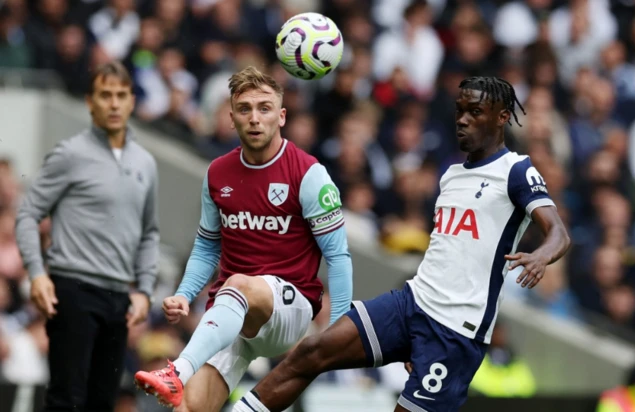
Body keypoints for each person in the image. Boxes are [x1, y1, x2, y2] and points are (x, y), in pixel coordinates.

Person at [231, 76, 572, 412]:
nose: (463, 119)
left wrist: (541, 256)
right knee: (311, 352)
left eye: (476, 112)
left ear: (501, 117)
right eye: (460, 110)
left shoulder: (516, 170)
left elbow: (558, 232)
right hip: (412, 304)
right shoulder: (451, 175)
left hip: (454, 335)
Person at [133, 66, 353, 411]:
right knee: (189, 408)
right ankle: (182, 383)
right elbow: (207, 245)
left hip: (289, 309)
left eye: (264, 108)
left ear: (281, 117)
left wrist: (338, 332)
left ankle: (177, 370)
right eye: (245, 109)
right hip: (234, 316)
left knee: (239, 285)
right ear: (231, 116)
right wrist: (185, 294)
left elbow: (338, 256)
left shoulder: (310, 175)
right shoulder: (217, 173)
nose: (254, 118)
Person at [15, 61, 160, 411]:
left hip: (119, 298)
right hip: (73, 289)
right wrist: (36, 274)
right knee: (66, 400)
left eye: (121, 96)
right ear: (89, 101)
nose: (113, 104)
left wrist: (144, 290)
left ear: (131, 101)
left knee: (102, 402)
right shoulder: (70, 154)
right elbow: (27, 213)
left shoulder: (145, 163)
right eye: (105, 95)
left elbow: (149, 233)